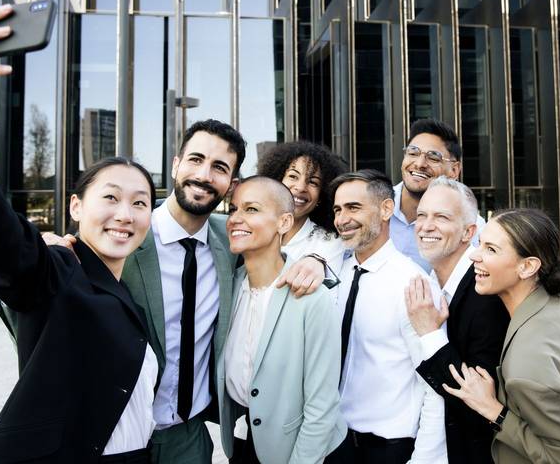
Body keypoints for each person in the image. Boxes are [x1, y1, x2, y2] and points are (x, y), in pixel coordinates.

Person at [0, 1, 158, 463]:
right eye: (111, 197)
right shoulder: (58, 270)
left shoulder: (128, 295)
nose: (126, 213)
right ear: (75, 207)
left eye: (140, 203)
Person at [442, 208, 560, 463]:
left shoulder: (526, 369)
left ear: (528, 266)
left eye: (491, 249)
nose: (475, 255)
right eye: (479, 244)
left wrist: (493, 409)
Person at [216, 176, 346, 463]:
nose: (236, 218)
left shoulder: (311, 297)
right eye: (233, 208)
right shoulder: (229, 286)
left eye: (251, 209)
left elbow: (322, 406)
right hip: (247, 442)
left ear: (284, 222)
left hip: (300, 450)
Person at [325, 170, 446, 464]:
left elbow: (434, 385)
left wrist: (424, 460)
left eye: (353, 207)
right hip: (331, 442)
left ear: (386, 209)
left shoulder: (412, 284)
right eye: (338, 210)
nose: (342, 219)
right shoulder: (330, 273)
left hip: (387, 449)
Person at [403, 177, 510, 464]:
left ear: (468, 232)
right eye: (421, 216)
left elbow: (476, 403)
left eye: (441, 217)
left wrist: (429, 333)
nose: (425, 226)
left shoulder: (485, 295)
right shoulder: (428, 285)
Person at [391, 119, 485, 272]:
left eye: (433, 157)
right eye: (413, 152)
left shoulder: (469, 225)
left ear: (454, 170)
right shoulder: (374, 206)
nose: (420, 163)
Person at [256, 141, 347, 277]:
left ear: (321, 196)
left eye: (313, 182)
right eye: (293, 176)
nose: (301, 187)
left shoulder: (329, 243)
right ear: (276, 181)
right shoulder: (254, 228)